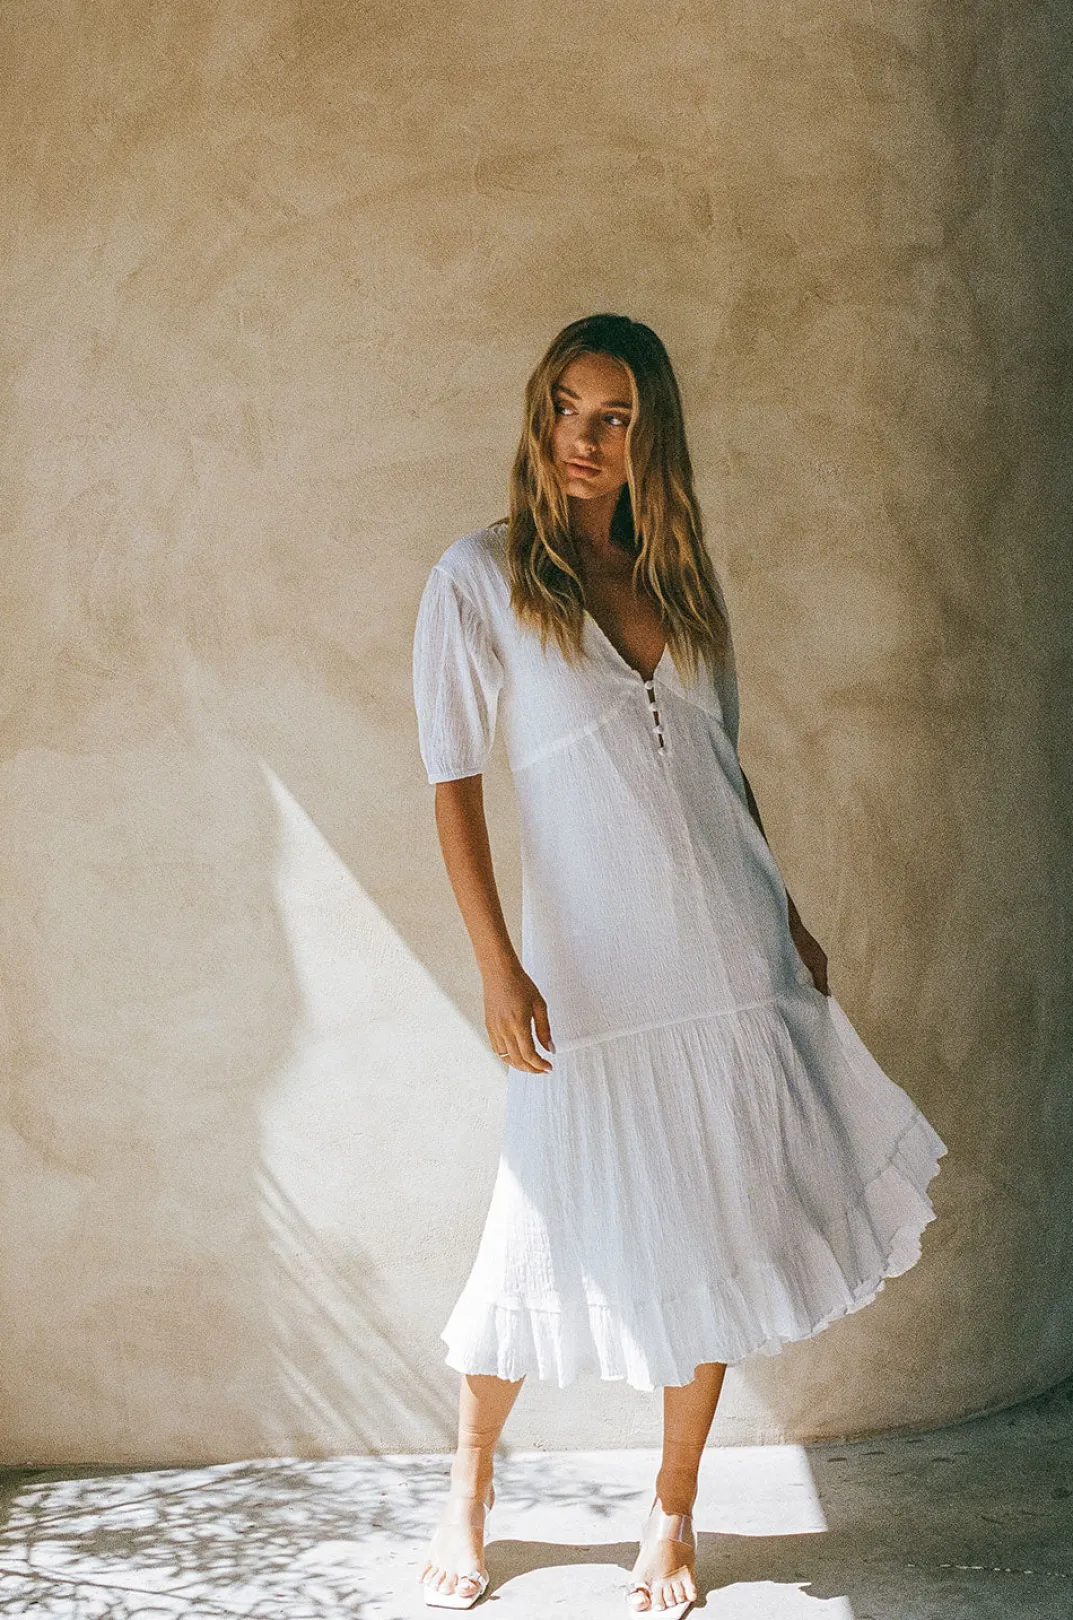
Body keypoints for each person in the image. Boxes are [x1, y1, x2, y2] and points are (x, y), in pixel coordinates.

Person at [410, 313, 947, 1615]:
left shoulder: (683, 584)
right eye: (566, 408)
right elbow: (453, 783)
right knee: (537, 1230)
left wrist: (789, 914)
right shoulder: (481, 578)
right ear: (538, 413)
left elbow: (719, 773)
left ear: (651, 439)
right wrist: (496, 963)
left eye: (615, 419)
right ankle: (469, 1482)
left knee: (715, 1229)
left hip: (726, 957)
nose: (583, 440)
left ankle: (673, 1510)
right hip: (591, 975)